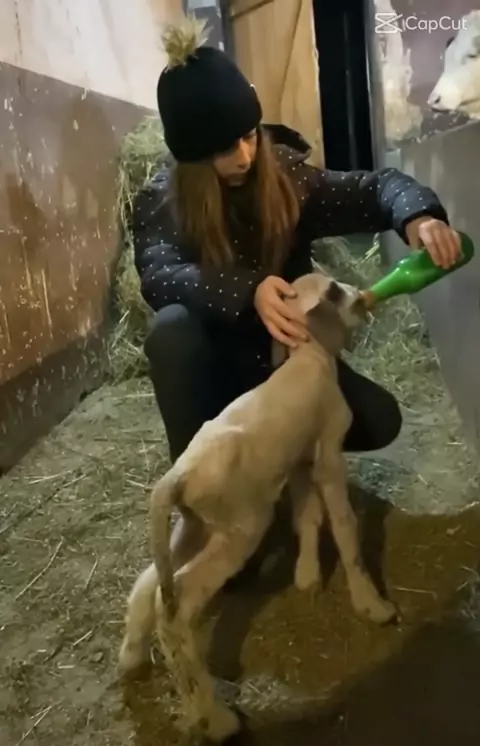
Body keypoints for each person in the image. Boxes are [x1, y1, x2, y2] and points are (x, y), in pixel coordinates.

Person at [130, 16, 461, 464]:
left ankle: (281, 450)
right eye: (225, 149)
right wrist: (248, 290)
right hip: (216, 367)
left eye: (249, 137)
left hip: (286, 356)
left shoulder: (286, 177)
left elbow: (375, 188)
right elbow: (160, 274)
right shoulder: (162, 201)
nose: (245, 156)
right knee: (170, 333)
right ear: (193, 159)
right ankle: (201, 477)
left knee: (379, 420)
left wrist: (417, 216)